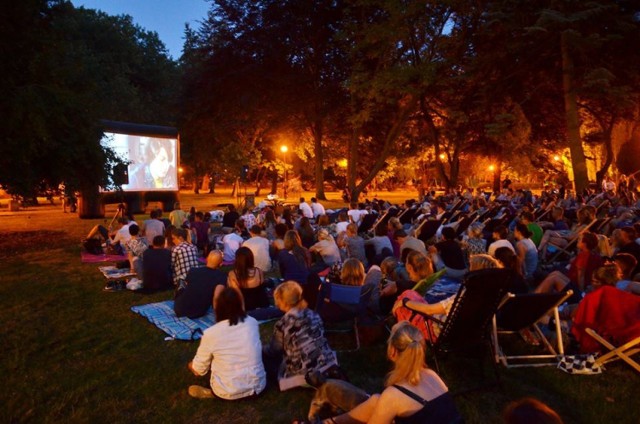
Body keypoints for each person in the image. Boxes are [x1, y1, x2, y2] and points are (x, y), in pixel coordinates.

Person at [322, 322, 461, 424]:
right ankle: (330, 422)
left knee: (380, 401)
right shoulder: (432, 375)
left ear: (392, 351)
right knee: (376, 400)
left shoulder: (394, 395)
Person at [187, 287, 266, 399]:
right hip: (258, 387)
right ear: (240, 304)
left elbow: (198, 370)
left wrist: (191, 365)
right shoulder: (252, 322)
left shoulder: (211, 333)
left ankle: (211, 393)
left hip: (227, 392)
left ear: (217, 308)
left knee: (203, 362)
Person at [262, 281, 338, 391]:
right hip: (327, 365)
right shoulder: (314, 314)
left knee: (267, 360)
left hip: (304, 374)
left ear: (283, 302)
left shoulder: (283, 324)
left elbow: (274, 350)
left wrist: (261, 349)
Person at [175, 250, 227, 318]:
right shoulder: (221, 276)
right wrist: (218, 317)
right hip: (198, 312)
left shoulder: (193, 271)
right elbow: (216, 297)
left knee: (181, 282)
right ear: (221, 264)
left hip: (179, 309)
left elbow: (188, 287)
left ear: (207, 259)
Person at [227, 247, 268, 311]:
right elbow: (262, 289)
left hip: (244, 306)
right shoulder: (259, 271)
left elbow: (236, 293)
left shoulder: (233, 274)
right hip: (260, 304)